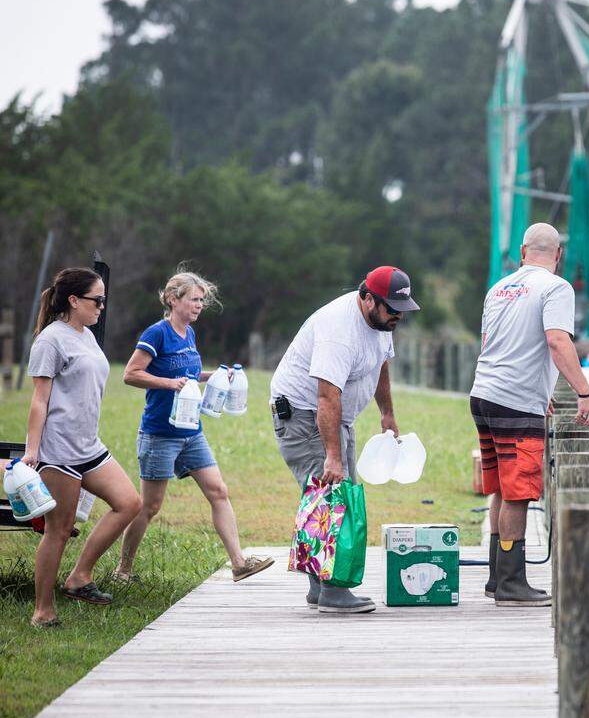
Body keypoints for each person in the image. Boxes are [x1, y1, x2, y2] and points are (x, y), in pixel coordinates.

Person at [270, 266, 416, 614]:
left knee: (335, 494)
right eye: (392, 308)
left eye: (403, 308)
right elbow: (326, 397)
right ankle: (333, 592)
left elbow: (382, 365)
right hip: (304, 413)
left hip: (336, 415)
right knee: (329, 495)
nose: (398, 315)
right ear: (367, 298)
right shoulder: (339, 331)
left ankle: (320, 589)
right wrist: (332, 457)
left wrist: (387, 413)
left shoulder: (383, 323)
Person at [114, 271, 273, 584]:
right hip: (160, 433)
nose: (200, 305)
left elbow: (188, 373)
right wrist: (168, 383)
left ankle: (239, 563)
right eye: (194, 299)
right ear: (174, 300)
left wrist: (213, 375)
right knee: (149, 506)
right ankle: (123, 570)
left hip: (191, 431)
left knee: (219, 492)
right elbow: (130, 374)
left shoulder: (189, 334)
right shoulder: (157, 333)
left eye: (202, 300)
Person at [471, 222, 589, 607]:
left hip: (483, 394)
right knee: (519, 492)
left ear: (523, 252)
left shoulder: (499, 288)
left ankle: (497, 577)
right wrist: (584, 393)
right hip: (514, 402)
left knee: (499, 488)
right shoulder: (556, 288)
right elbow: (557, 341)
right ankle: (511, 582)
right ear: (558, 256)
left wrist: (539, 392)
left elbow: (495, 343)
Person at [22, 268, 143, 627]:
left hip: (89, 445)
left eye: (104, 299)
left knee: (129, 503)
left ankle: (79, 576)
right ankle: (42, 611)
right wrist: (33, 451)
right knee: (58, 531)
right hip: (59, 451)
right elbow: (39, 400)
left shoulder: (87, 336)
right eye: (97, 299)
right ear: (74, 300)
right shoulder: (50, 340)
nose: (102, 306)